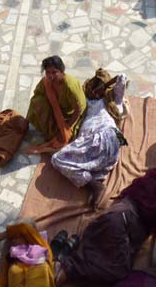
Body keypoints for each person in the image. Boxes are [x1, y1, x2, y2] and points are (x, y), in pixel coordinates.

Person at [56, 167, 156, 285]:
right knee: (117, 272)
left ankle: (66, 261)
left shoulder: (149, 181)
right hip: (121, 224)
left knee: (97, 247)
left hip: (110, 219)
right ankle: (67, 269)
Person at [51, 69, 127, 206]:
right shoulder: (86, 101)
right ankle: (94, 182)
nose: (95, 89)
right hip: (97, 147)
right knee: (83, 164)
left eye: (100, 85)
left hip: (105, 137)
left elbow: (122, 77)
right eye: (94, 85)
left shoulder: (113, 101)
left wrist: (105, 86)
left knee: (57, 159)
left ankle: (95, 186)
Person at [25, 56, 87, 155]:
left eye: (54, 72)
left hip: (70, 115)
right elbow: (38, 94)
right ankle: (49, 129)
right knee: (37, 102)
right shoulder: (46, 82)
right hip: (57, 110)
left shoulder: (70, 86)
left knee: (63, 138)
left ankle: (54, 134)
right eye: (48, 72)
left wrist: (66, 128)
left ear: (62, 72)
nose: (50, 76)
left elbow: (78, 110)